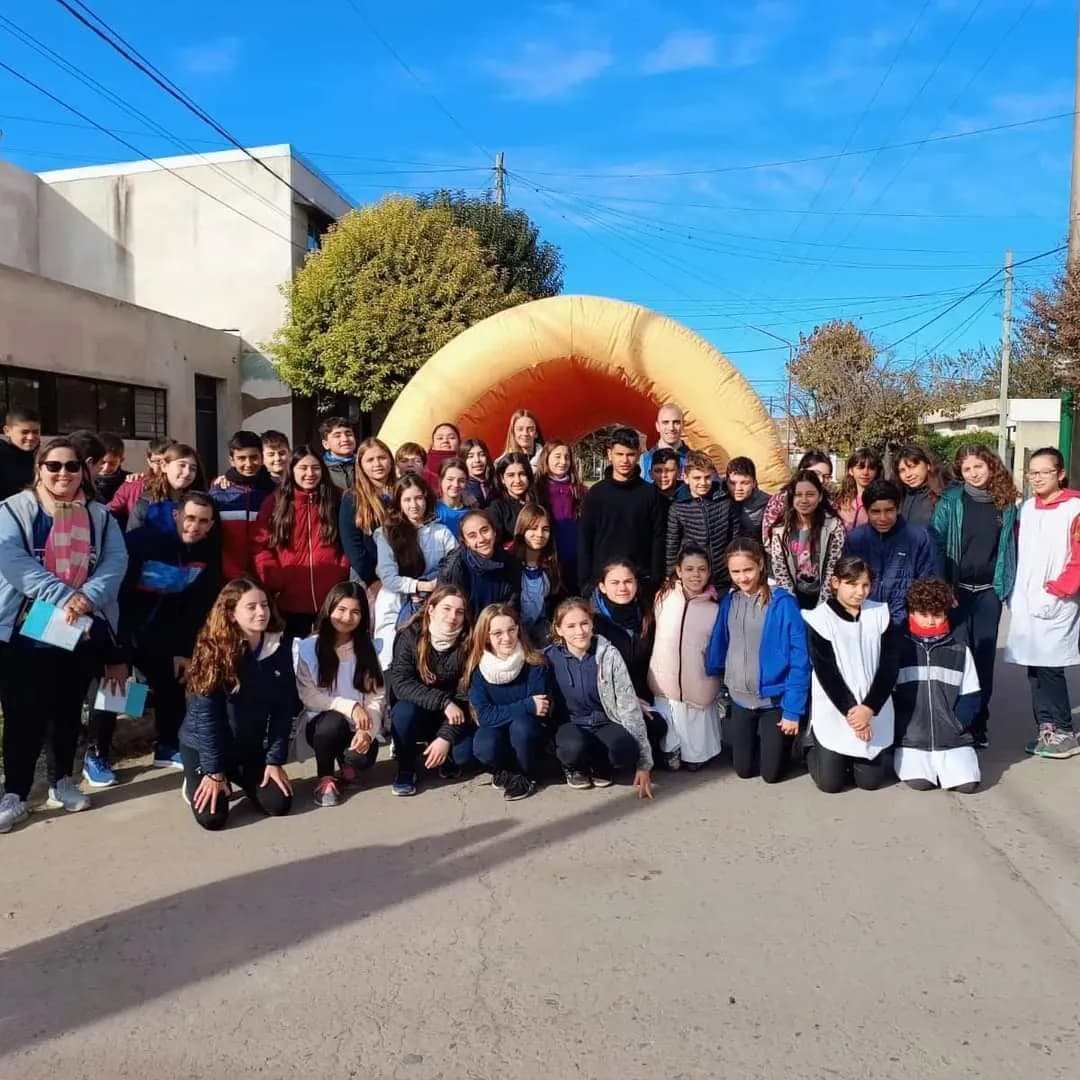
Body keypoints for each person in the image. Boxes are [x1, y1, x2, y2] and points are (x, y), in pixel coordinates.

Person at [0, 437, 128, 833]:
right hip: (25, 630)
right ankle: (16, 794)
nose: (63, 474)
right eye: (53, 466)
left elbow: (115, 561)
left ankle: (62, 782)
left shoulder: (99, 516)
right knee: (24, 714)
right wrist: (66, 596)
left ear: (82, 471)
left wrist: (86, 597)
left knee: (67, 712)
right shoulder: (12, 510)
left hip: (79, 629)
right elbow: (13, 562)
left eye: (71, 466)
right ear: (38, 468)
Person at [91, 491, 221, 782]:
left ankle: (166, 745)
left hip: (163, 634)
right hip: (121, 627)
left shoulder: (206, 552)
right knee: (115, 688)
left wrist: (184, 649)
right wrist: (119, 653)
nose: (194, 526)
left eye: (203, 521)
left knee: (171, 684)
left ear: (211, 525)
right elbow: (117, 596)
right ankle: (97, 753)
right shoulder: (141, 542)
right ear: (177, 515)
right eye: (189, 518)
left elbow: (195, 607)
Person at [178, 580, 295, 831]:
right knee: (213, 819)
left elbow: (283, 709)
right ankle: (195, 778)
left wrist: (274, 761)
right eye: (251, 607)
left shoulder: (280, 647)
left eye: (264, 605)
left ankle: (234, 775)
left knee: (279, 803)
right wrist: (213, 772)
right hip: (205, 747)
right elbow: (207, 719)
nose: (261, 612)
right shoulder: (213, 651)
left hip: (247, 748)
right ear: (231, 613)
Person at [930, 443, 1019, 749]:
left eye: (977, 466)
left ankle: (978, 723)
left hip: (988, 594)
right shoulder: (951, 500)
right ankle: (956, 720)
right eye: (966, 469)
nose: (973, 473)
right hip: (957, 592)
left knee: (983, 658)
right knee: (956, 656)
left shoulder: (1006, 503)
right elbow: (937, 544)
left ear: (990, 465)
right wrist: (944, 588)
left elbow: (1010, 549)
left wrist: (1005, 588)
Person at [706, 538, 809, 783]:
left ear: (761, 565)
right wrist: (718, 674)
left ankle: (788, 743)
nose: (742, 578)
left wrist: (793, 710)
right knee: (743, 770)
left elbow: (800, 658)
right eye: (736, 572)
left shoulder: (783, 603)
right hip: (740, 698)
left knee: (771, 775)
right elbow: (720, 641)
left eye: (748, 570)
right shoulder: (730, 601)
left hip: (774, 700)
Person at [1004, 447, 1080, 760]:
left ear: (1059, 474)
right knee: (1034, 667)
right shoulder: (1027, 508)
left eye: (1043, 472)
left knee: (1050, 666)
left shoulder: (1074, 508)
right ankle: (1045, 727)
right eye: (1031, 472)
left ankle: (1063, 729)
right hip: (1027, 598)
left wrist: (1060, 589)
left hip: (1057, 599)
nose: (1036, 478)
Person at [802, 556, 899, 793]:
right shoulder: (820, 619)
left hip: (872, 710)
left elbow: (889, 666)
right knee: (831, 784)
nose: (860, 592)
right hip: (837, 710)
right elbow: (827, 672)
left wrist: (868, 709)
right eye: (852, 584)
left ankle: (848, 760)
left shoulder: (880, 614)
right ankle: (810, 748)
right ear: (835, 582)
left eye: (865, 585)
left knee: (870, 783)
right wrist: (852, 714)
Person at [545, 598, 654, 797]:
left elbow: (628, 706)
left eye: (584, 623)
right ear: (559, 629)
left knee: (626, 750)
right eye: (571, 626)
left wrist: (644, 765)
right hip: (570, 723)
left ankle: (599, 763)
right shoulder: (549, 658)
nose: (580, 631)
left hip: (604, 720)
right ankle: (574, 766)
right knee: (573, 748)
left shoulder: (609, 655)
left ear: (592, 624)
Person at [295, 581, 386, 807]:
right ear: (329, 610)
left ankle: (346, 761)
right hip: (322, 725)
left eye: (355, 612)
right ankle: (325, 777)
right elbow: (309, 697)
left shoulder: (369, 649)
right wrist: (350, 706)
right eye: (341, 610)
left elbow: (376, 697)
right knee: (332, 724)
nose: (347, 618)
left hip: (359, 725)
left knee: (361, 759)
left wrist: (368, 731)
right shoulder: (308, 648)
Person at [893, 578, 981, 794]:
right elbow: (889, 695)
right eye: (924, 615)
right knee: (920, 784)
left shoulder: (960, 651)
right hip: (912, 739)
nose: (931, 621)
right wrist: (901, 726)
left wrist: (958, 723)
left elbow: (971, 695)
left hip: (953, 738)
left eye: (937, 614)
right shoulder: (899, 649)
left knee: (968, 786)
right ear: (911, 613)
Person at [387, 585, 475, 796]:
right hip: (420, 709)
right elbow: (400, 683)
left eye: (459, 611)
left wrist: (445, 737)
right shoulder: (409, 635)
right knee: (403, 712)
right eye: (446, 608)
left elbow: (465, 695)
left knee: (465, 754)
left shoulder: (469, 642)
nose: (452, 616)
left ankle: (445, 754)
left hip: (455, 714)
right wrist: (443, 702)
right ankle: (406, 769)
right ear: (431, 609)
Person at [253, 445, 349, 639]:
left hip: (332, 598)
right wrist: (275, 578)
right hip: (288, 601)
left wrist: (341, 571)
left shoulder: (338, 498)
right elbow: (260, 545)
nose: (310, 473)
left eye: (315, 468)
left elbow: (350, 540)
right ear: (292, 470)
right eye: (303, 468)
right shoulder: (275, 502)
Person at [648, 545, 722, 770]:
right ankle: (671, 750)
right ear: (678, 571)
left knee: (696, 727)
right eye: (689, 569)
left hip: (698, 679)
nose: (695, 574)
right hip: (665, 680)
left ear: (709, 572)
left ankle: (697, 755)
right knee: (671, 716)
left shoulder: (715, 608)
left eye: (701, 569)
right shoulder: (663, 598)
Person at [466, 603, 550, 801]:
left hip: (529, 733)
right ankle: (504, 769)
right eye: (497, 633)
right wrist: (527, 704)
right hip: (497, 731)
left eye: (511, 629)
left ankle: (526, 775)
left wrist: (503, 712)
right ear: (486, 636)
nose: (507, 638)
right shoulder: (478, 671)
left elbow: (541, 708)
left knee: (522, 726)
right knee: (484, 745)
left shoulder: (535, 663)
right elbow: (484, 716)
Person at [372, 475, 457, 669]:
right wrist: (421, 586)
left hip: (434, 601)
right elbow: (388, 577)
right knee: (390, 659)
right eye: (407, 499)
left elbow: (454, 566)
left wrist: (434, 589)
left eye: (419, 498)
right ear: (399, 503)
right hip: (395, 602)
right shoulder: (387, 533)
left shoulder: (442, 532)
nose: (414, 505)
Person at [590, 559, 666, 766]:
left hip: (641, 694)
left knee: (658, 726)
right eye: (615, 583)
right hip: (606, 701)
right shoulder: (592, 623)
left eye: (628, 581)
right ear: (602, 586)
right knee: (621, 750)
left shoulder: (647, 614)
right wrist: (628, 701)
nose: (622, 588)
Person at [578, 426, 666, 596]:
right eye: (619, 454)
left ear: (639, 454)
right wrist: (584, 581)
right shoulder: (595, 494)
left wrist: (655, 579)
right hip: (602, 582)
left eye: (630, 454)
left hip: (640, 581)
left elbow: (658, 538)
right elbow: (585, 539)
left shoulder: (650, 493)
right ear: (610, 454)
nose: (625, 460)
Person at [843, 479, 937, 625]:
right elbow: (847, 581)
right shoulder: (856, 539)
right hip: (864, 618)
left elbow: (926, 581)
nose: (883, 518)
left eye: (889, 511)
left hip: (903, 621)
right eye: (875, 512)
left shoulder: (918, 537)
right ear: (866, 511)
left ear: (898, 509)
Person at [769, 469, 845, 609]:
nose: (804, 500)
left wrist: (821, 609)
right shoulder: (780, 530)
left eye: (810, 494)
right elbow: (781, 572)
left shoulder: (833, 527)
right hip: (793, 595)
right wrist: (792, 606)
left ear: (820, 496)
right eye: (798, 495)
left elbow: (832, 568)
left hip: (825, 597)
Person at [212, 430, 277, 581]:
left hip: (268, 576)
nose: (248, 464)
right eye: (241, 458)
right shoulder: (218, 493)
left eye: (253, 457)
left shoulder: (276, 493)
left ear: (261, 457)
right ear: (231, 460)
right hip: (227, 578)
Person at [665, 450, 735, 591]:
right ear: (686, 478)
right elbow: (672, 545)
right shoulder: (678, 506)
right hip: (693, 579)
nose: (703, 483)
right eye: (697, 478)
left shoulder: (724, 500)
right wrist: (671, 576)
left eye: (707, 477)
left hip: (722, 577)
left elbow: (735, 536)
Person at [437, 509, 519, 619]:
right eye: (472, 535)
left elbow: (511, 605)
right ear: (466, 542)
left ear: (494, 531)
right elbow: (448, 612)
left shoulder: (509, 562)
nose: (481, 539)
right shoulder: (455, 567)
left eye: (485, 530)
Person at [339, 437, 397, 590]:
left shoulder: (403, 491)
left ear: (390, 460)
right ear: (361, 466)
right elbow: (352, 544)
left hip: (403, 574)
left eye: (382, 458)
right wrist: (371, 580)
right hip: (369, 578)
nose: (377, 464)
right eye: (370, 460)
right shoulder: (352, 497)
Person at [536, 439, 585, 593]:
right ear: (547, 458)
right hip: (550, 558)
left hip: (576, 560)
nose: (563, 461)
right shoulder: (537, 490)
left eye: (566, 457)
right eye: (557, 456)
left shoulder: (580, 490)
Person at [128, 443, 207, 534]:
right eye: (182, 465)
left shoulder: (203, 503)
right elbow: (134, 541)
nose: (187, 472)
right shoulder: (146, 503)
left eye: (193, 469)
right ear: (164, 466)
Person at [512, 504, 563, 645]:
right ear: (522, 530)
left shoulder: (550, 565)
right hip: (513, 631)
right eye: (533, 528)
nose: (540, 534)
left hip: (540, 627)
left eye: (545, 529)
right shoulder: (510, 564)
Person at [762, 450, 833, 544]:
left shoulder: (830, 501)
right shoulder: (781, 499)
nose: (821, 480)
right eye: (816, 474)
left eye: (826, 476)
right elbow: (768, 536)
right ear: (801, 471)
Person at [108, 437, 176, 528]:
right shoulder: (132, 486)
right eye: (158, 462)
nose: (163, 466)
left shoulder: (186, 487)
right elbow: (109, 511)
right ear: (149, 461)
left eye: (168, 461)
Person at [487, 452, 538, 544]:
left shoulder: (539, 501)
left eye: (522, 474)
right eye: (511, 475)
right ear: (502, 478)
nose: (517, 480)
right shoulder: (497, 508)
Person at [893, 443, 948, 529]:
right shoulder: (900, 495)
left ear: (928, 465)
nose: (908, 474)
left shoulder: (945, 495)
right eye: (902, 470)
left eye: (912, 467)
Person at [0, 407, 42, 501]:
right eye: (25, 432)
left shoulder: (44, 455)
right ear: (7, 431)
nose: (31, 437)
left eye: (36, 432)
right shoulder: (2, 453)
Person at [836, 448, 883, 532]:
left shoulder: (882, 500)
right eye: (860, 467)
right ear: (851, 470)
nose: (865, 472)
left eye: (871, 468)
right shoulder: (840, 499)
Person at [641, 403, 689, 483]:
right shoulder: (644, 461)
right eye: (665, 422)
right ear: (657, 426)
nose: (671, 428)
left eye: (676, 422)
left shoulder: (694, 460)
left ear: (683, 425)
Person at [726, 456, 769, 541]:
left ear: (754, 483)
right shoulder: (719, 500)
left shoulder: (768, 503)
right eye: (732, 483)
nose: (738, 488)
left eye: (744, 483)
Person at [433, 457, 473, 539]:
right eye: (450, 479)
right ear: (441, 480)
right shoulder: (432, 510)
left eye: (461, 480)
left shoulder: (471, 513)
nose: (456, 484)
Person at [422, 422, 462, 493]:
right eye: (440, 438)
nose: (445, 441)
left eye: (451, 438)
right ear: (433, 444)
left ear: (459, 442)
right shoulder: (422, 462)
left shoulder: (467, 462)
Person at [320, 416, 357, 492]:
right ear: (326, 444)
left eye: (349, 434)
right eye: (337, 436)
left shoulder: (364, 464)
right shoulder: (320, 468)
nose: (345, 439)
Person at [93, 432, 129, 506]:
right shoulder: (83, 482)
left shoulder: (129, 481)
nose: (106, 468)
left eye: (112, 463)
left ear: (121, 461)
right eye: (102, 462)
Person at [461, 438, 496, 508]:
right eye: (470, 456)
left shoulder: (495, 483)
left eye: (482, 455)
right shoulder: (461, 488)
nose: (477, 460)